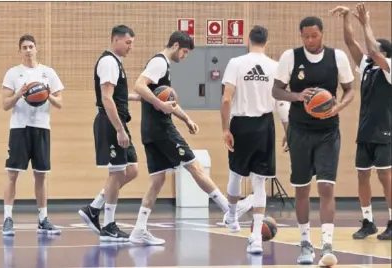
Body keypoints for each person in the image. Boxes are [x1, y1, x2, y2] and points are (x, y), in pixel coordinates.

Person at [128, 31, 254, 246]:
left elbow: (155, 98)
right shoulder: (160, 62)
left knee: (157, 180)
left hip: (150, 131)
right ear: (176, 45)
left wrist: (186, 119)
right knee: (195, 166)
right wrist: (160, 105)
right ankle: (229, 209)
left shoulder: (161, 66)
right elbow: (139, 85)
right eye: (185, 51)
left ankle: (139, 229)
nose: (185, 56)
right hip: (161, 129)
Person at [272, 16, 355, 266]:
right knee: (302, 188)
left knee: (327, 187)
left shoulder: (337, 57)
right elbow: (276, 90)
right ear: (301, 36)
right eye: (306, 36)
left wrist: (338, 107)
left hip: (329, 131)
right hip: (300, 131)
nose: (310, 40)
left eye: (314, 35)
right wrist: (297, 95)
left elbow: (350, 89)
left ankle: (327, 245)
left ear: (322, 34)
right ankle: (305, 242)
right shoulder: (290, 57)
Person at [220, 25, 290, 254]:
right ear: (266, 42)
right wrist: (287, 129)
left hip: (241, 124)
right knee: (260, 182)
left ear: (248, 40)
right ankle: (256, 239)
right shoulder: (275, 66)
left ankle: (231, 217)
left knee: (235, 174)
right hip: (264, 125)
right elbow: (281, 102)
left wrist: (225, 129)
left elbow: (226, 99)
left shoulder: (236, 63)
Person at [331, 3, 392, 241]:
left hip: (385, 131)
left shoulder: (389, 69)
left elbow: (373, 50)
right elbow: (351, 43)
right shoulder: (367, 67)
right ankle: (368, 221)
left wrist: (366, 23)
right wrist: (347, 18)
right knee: (362, 176)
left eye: (374, 52)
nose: (368, 55)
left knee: (385, 177)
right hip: (365, 132)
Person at [77, 25, 140, 242]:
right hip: (111, 123)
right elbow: (106, 98)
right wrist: (119, 130)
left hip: (118, 121)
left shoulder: (117, 64)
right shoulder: (109, 62)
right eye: (128, 42)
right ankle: (109, 225)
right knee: (117, 173)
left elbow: (117, 94)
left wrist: (138, 97)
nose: (130, 47)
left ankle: (94, 208)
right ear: (115, 39)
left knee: (131, 170)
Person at [0, 34, 64, 236]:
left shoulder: (48, 73)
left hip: (41, 128)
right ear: (20, 51)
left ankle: (43, 219)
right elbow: (4, 104)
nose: (28, 50)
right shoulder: (13, 73)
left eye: (31, 46)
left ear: (37, 49)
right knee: (12, 174)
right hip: (19, 128)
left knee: (41, 175)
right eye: (24, 47)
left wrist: (47, 94)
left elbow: (60, 103)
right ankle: (8, 218)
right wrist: (20, 93)